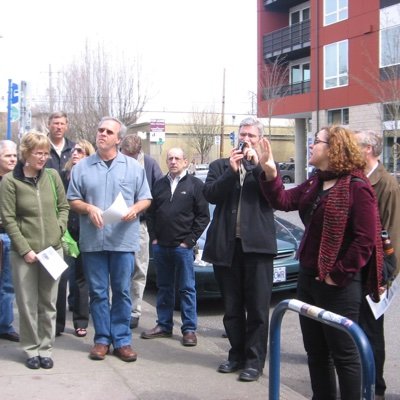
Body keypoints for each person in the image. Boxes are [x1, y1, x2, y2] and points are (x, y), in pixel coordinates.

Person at [258, 125, 383, 399]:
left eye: (316, 141)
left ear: (333, 148)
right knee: (316, 352)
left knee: (345, 355)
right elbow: (283, 199)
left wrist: (335, 275)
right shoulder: (317, 181)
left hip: (339, 286)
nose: (311, 146)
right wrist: (269, 169)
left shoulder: (357, 187)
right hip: (309, 279)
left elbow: (365, 240)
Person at [67, 117, 152, 362]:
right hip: (94, 240)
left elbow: (146, 198)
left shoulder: (134, 168)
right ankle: (102, 339)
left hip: (123, 240)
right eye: (100, 130)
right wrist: (88, 208)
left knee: (123, 291)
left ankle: (122, 341)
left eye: (108, 131)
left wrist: (136, 209)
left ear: (118, 139)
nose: (102, 134)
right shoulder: (82, 167)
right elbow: (72, 199)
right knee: (98, 292)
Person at [202, 117, 277, 382]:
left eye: (251, 136)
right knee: (232, 308)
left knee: (257, 309)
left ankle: (254, 362)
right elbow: (210, 194)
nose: (245, 139)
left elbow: (274, 195)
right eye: (242, 135)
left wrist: (257, 164)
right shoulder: (220, 166)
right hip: (226, 248)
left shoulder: (266, 168)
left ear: (260, 140)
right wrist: (230, 173)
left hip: (257, 249)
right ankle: (236, 355)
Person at [0, 131, 69, 369]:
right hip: (24, 254)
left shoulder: (52, 176)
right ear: (26, 153)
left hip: (53, 251)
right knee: (27, 303)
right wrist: (25, 249)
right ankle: (31, 350)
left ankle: (45, 348)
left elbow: (64, 207)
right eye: (38, 153)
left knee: (49, 303)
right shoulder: (10, 181)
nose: (43, 157)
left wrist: (59, 230)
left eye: (46, 153)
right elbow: (8, 219)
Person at [141, 148, 209, 346]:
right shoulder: (159, 185)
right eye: (170, 158)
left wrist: (189, 241)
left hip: (183, 248)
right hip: (161, 247)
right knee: (164, 288)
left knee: (187, 289)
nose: (173, 162)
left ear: (185, 161)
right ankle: (164, 325)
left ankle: (189, 330)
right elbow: (151, 214)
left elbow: (203, 216)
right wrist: (153, 238)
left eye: (177, 158)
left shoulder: (196, 185)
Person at [354, 129, 400, 400]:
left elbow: (392, 234)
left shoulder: (387, 185)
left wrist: (385, 277)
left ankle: (375, 388)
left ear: (368, 149)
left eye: (355, 145)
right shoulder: (358, 179)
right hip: (357, 271)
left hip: (375, 274)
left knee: (372, 332)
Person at [120, 134, 163, 329]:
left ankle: (134, 311)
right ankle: (119, 307)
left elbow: (159, 192)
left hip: (140, 224)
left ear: (138, 152)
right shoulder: (115, 160)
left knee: (139, 268)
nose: (127, 158)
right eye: (124, 154)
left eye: (131, 155)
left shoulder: (150, 164)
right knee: (119, 268)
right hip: (117, 222)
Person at [45, 111, 76, 336]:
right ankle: (46, 321)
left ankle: (59, 325)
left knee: (66, 273)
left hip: (70, 216)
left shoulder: (73, 149)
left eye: (62, 123)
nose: (58, 127)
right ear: (49, 125)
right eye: (55, 123)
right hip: (45, 215)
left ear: (66, 126)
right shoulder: (40, 147)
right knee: (48, 274)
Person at [60, 140, 95, 337]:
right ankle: (57, 323)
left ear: (88, 156)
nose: (75, 153)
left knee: (81, 279)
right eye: (74, 150)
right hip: (63, 232)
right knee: (61, 276)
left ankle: (81, 322)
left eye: (80, 151)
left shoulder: (90, 177)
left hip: (84, 233)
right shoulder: (62, 177)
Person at [0, 140, 20, 343]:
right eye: (8, 156)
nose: (13, 159)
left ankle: (5, 325)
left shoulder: (18, 180)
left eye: (14, 155)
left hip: (11, 236)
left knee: (8, 285)